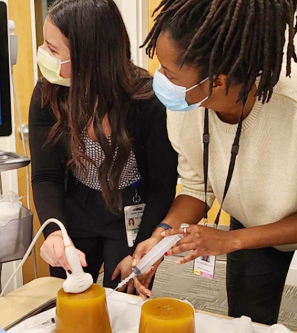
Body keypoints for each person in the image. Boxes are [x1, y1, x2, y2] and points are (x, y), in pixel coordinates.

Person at [133, 0, 297, 325]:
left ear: (217, 81)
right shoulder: (187, 105)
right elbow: (196, 188)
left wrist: (232, 240)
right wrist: (163, 233)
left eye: (170, 72)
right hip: (250, 221)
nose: (160, 79)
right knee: (247, 321)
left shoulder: (289, 108)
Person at [29, 0, 178, 292]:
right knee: (69, 297)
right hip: (76, 207)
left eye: (52, 48)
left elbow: (162, 186)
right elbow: (46, 175)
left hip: (131, 212)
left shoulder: (147, 101)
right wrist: (54, 232)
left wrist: (140, 253)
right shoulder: (48, 93)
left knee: (124, 295)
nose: (43, 55)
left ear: (89, 56)